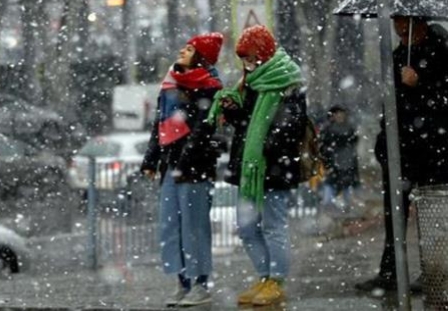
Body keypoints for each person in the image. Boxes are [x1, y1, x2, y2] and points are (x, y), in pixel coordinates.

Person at [207, 25, 307, 306]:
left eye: (251, 57)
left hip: (274, 167)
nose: (247, 64)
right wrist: (233, 111)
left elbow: (292, 126)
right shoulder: (252, 82)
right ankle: (264, 277)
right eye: (244, 59)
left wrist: (268, 144)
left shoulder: (287, 80)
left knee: (274, 225)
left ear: (263, 53)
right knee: (247, 226)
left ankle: (277, 280)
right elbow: (246, 124)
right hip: (250, 167)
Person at [355, 17, 448, 292]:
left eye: (406, 29)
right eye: (397, 29)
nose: (401, 34)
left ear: (420, 25)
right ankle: (391, 271)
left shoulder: (442, 52)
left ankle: (434, 271)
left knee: (432, 216)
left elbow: (442, 100)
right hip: (402, 150)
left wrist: (420, 84)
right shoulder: (398, 55)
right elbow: (393, 104)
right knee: (393, 213)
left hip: (434, 150)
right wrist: (384, 143)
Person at [140, 32, 224, 307]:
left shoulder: (208, 87)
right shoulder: (170, 84)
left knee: (194, 226)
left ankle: (200, 283)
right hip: (171, 166)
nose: (182, 51)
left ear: (200, 56)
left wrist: (186, 156)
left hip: (195, 168)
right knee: (170, 226)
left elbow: (204, 128)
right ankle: (182, 281)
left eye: (189, 49)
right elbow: (159, 125)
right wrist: (151, 160)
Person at [318, 105, 360, 213]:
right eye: (338, 114)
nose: (340, 117)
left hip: (347, 164)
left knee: (346, 193)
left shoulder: (349, 128)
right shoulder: (329, 129)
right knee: (330, 191)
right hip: (335, 164)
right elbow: (323, 147)